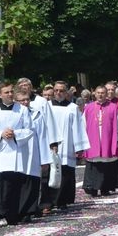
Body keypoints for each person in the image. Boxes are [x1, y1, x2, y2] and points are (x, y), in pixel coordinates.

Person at [0, 83, 34, 227]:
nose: (10, 94)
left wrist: (15, 134)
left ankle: (11, 214)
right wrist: (0, 134)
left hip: (15, 152)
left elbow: (29, 129)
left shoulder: (22, 109)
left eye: (11, 92)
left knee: (12, 184)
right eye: (6, 92)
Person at [42, 81, 89, 212]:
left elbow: (78, 128)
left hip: (67, 145)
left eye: (61, 90)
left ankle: (62, 200)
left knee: (65, 174)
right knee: (49, 174)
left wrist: (79, 147)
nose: (58, 93)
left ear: (67, 92)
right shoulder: (47, 106)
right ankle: (49, 202)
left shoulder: (72, 108)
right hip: (49, 145)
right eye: (56, 90)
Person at [15, 88, 52, 222]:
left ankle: (30, 210)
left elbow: (42, 136)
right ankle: (17, 210)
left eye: (27, 99)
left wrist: (45, 157)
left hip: (33, 152)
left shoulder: (36, 114)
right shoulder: (13, 114)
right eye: (21, 100)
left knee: (32, 182)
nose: (25, 102)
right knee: (18, 183)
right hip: (17, 153)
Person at [82, 86, 118, 197]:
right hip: (92, 140)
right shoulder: (88, 108)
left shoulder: (113, 107)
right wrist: (82, 141)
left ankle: (106, 188)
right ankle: (93, 188)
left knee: (107, 164)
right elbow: (83, 125)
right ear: (94, 94)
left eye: (103, 93)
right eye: (98, 93)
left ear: (106, 94)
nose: (100, 95)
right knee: (93, 164)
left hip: (108, 140)